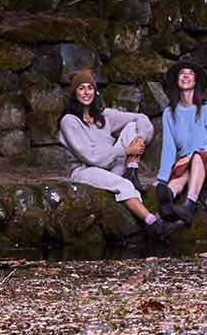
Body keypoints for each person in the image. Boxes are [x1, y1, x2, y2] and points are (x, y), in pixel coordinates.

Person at [57, 69, 177, 239]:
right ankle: (154, 225)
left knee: (132, 126)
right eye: (81, 88)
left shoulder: (103, 116)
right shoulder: (69, 121)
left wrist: (140, 139)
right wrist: (127, 150)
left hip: (111, 165)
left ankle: (132, 171)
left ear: (95, 91)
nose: (86, 92)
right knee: (124, 186)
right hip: (85, 170)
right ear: (74, 92)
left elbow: (141, 118)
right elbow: (91, 157)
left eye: (89, 88)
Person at [154, 61, 207, 225]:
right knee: (183, 169)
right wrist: (162, 179)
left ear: (196, 81)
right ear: (176, 81)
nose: (186, 75)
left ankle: (189, 205)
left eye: (190, 73)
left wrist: (193, 155)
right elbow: (168, 149)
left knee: (196, 158)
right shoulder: (168, 113)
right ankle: (168, 197)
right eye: (181, 73)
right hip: (191, 162)